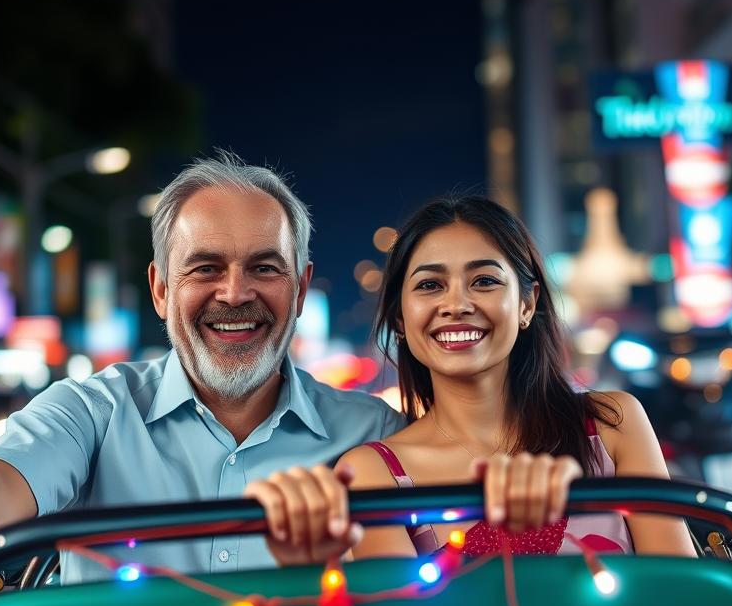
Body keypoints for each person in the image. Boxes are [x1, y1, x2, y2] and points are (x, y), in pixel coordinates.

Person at [0, 152, 403, 605]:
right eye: (205, 269)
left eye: (265, 268)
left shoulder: (375, 432)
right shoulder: (91, 411)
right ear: (159, 289)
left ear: (302, 289)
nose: (235, 293)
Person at [246, 196, 696, 560]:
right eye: (429, 285)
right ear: (400, 319)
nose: (456, 304)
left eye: (484, 281)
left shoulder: (611, 423)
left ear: (526, 304)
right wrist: (512, 537)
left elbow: (684, 602)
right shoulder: (373, 474)